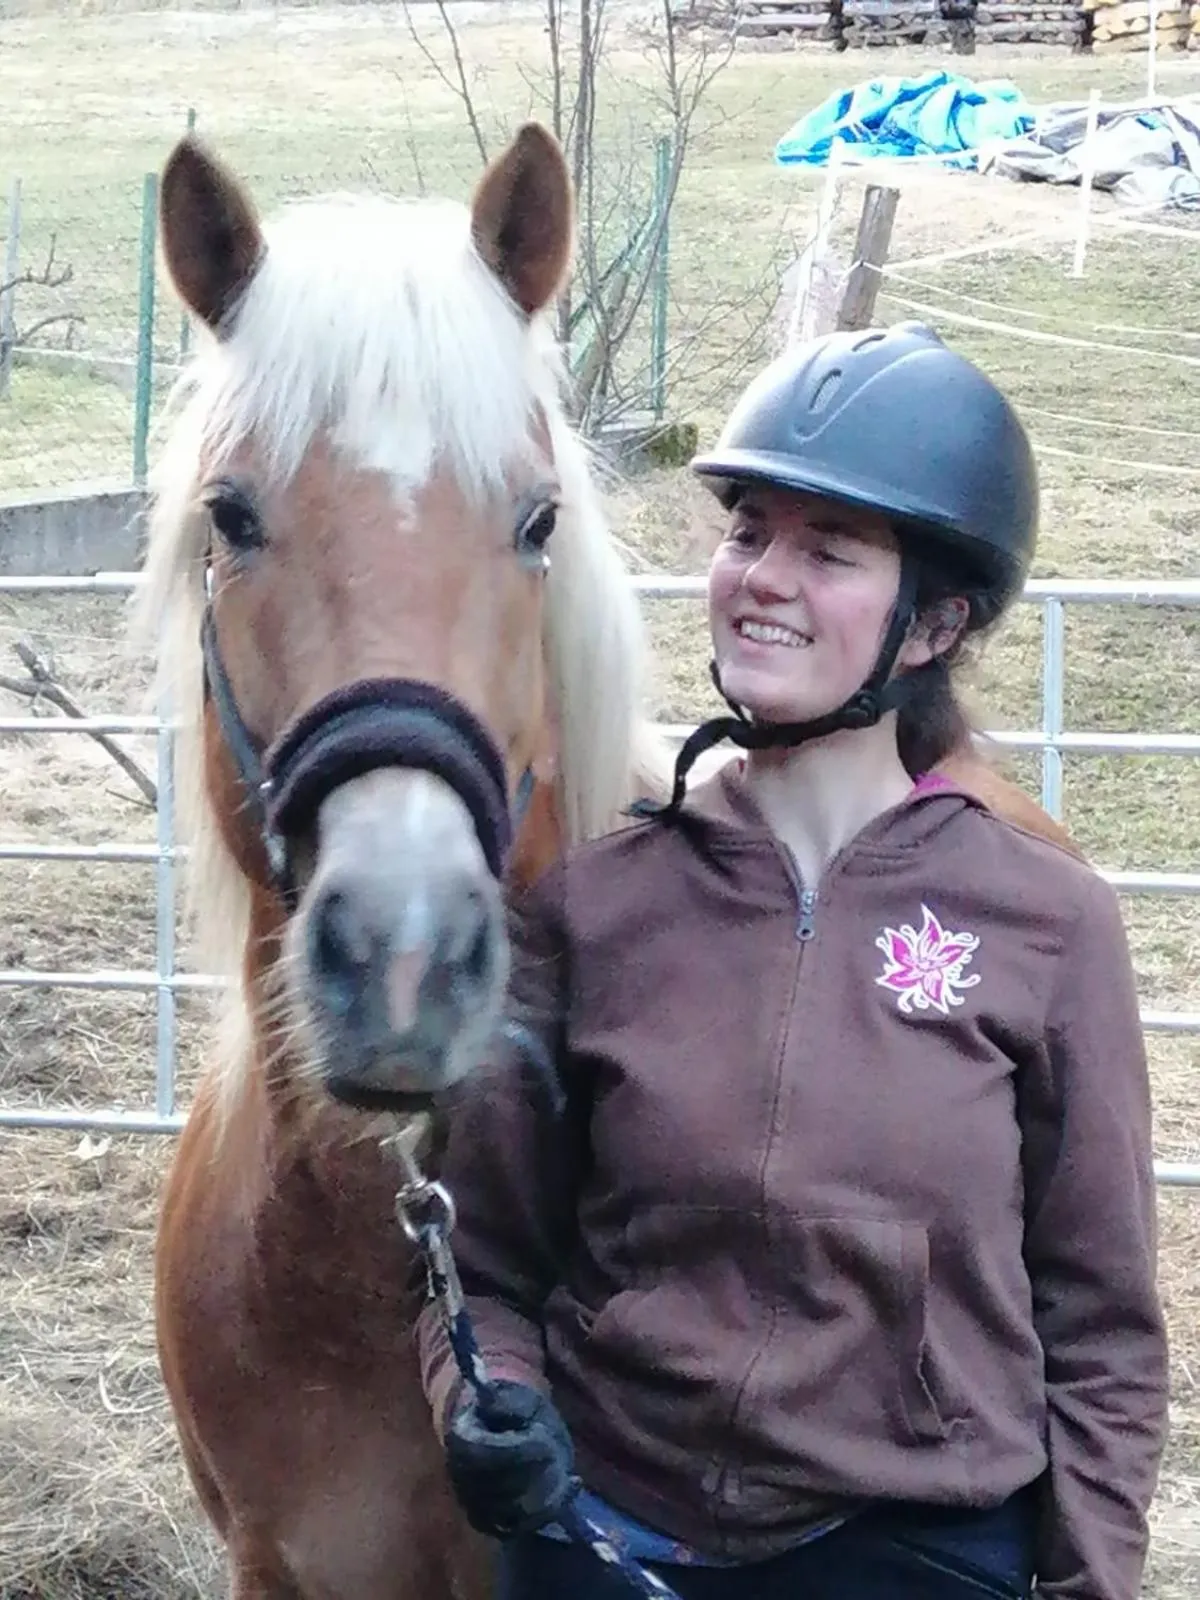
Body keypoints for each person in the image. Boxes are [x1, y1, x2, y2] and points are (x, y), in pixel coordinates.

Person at [417, 321, 1169, 1600]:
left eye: (828, 551)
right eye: (748, 532)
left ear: (934, 623)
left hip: (915, 1547)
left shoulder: (1045, 921)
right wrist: (486, 1401)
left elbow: (1103, 1328)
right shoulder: (593, 908)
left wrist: (1089, 1580)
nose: (763, 577)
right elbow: (483, 1261)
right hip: (608, 1533)